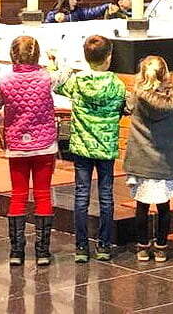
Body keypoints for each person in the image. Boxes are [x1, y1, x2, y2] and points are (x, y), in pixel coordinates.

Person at [0, 35, 64, 266]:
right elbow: (65, 74)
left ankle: (16, 252)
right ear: (37, 54)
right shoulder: (46, 78)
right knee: (42, 194)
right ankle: (42, 252)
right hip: (44, 146)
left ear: (12, 55)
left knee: (18, 194)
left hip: (18, 146)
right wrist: (54, 61)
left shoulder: (6, 80)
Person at [55, 35, 127, 263]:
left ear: (85, 57)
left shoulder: (77, 82)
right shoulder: (117, 84)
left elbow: (56, 85)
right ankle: (104, 245)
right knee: (106, 196)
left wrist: (64, 66)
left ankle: (81, 247)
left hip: (82, 146)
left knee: (81, 195)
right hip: (105, 146)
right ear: (109, 57)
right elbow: (124, 108)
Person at [123, 55, 173, 262]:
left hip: (141, 161)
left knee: (141, 206)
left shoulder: (136, 99)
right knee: (164, 207)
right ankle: (161, 248)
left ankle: (142, 247)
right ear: (166, 74)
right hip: (164, 162)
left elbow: (125, 108)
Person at [44, 0, 118, 23]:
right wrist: (54, 17)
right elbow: (47, 23)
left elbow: (92, 12)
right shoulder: (53, 14)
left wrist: (106, 6)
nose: (75, 1)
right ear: (65, 0)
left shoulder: (78, 12)